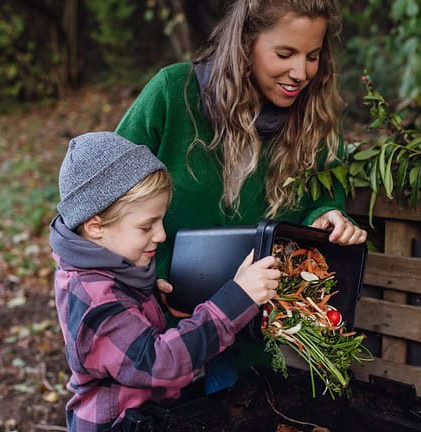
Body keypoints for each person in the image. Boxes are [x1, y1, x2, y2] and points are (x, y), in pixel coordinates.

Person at [114, 0, 367, 391]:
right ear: (246, 42)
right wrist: (148, 277)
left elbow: (321, 200)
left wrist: (326, 218)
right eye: (285, 54)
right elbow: (106, 197)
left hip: (251, 348)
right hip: (156, 341)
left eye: (312, 56)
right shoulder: (172, 94)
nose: (300, 72)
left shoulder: (314, 120)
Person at [49, 131, 281, 430]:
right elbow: (160, 362)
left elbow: (125, 320)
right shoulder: (94, 298)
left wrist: (148, 300)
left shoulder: (105, 263)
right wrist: (237, 299)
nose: (160, 235)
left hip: (152, 415)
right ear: (96, 227)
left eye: (160, 221)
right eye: (146, 226)